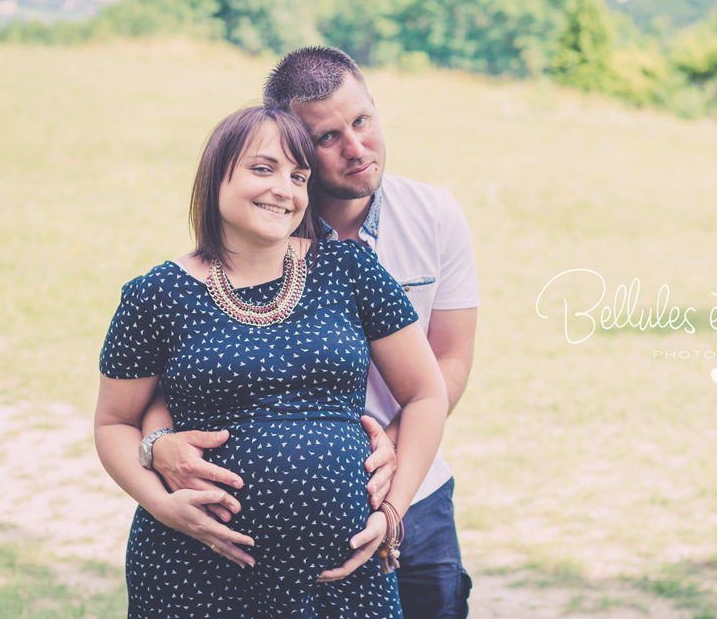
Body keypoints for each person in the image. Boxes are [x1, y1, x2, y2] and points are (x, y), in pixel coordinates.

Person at [141, 47, 478, 618]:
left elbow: (450, 361)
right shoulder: (261, 226)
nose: (356, 148)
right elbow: (173, 378)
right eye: (326, 138)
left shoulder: (435, 215)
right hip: (248, 530)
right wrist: (158, 446)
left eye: (362, 121)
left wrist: (389, 458)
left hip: (408, 485)